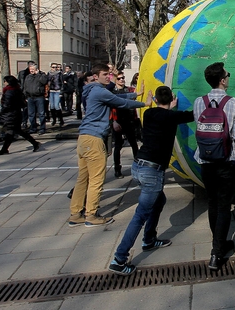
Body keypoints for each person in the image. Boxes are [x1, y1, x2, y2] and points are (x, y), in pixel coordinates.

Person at [109, 86, 192, 275]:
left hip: (138, 167)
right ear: (171, 99)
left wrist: (167, 106)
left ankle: (149, 239)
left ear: (154, 100)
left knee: (159, 200)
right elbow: (192, 115)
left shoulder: (149, 114)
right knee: (140, 215)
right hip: (152, 171)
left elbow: (161, 115)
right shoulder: (171, 117)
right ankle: (119, 259)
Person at [67, 63, 148, 227]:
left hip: (84, 139)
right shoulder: (99, 90)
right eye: (105, 74)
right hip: (94, 139)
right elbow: (120, 103)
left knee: (83, 179)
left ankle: (76, 213)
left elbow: (116, 98)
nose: (108, 77)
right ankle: (91, 215)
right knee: (96, 180)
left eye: (109, 74)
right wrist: (143, 103)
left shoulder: (93, 90)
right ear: (96, 76)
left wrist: (135, 94)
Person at [194, 62, 235, 271]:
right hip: (227, 160)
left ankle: (219, 242)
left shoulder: (199, 102)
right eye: (228, 74)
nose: (229, 77)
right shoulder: (233, 103)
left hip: (205, 159)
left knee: (212, 202)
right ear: (222, 80)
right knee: (224, 205)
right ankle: (217, 253)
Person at [0, 76, 40, 155]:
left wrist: (3, 110)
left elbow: (6, 104)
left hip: (10, 114)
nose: (4, 83)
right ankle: (5, 149)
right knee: (14, 131)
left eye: (5, 81)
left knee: (13, 131)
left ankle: (34, 143)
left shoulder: (9, 91)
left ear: (8, 82)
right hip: (16, 113)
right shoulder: (17, 89)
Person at [110, 71, 139, 179]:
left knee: (134, 145)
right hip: (118, 121)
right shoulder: (112, 92)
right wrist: (114, 121)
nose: (122, 80)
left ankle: (137, 167)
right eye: (119, 78)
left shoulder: (129, 90)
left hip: (129, 121)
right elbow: (110, 108)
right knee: (118, 147)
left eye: (123, 78)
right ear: (115, 80)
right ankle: (117, 169)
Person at [22, 63, 48, 134]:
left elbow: (44, 82)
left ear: (36, 69)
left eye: (33, 69)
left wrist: (38, 74)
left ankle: (42, 128)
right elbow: (25, 86)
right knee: (31, 114)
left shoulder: (42, 75)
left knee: (41, 113)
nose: (31, 71)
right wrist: (25, 96)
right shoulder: (28, 77)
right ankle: (33, 127)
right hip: (30, 97)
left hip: (39, 97)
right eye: (30, 69)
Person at [47, 62, 64, 127]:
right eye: (53, 67)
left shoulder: (59, 74)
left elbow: (62, 83)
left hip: (57, 90)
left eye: (56, 67)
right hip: (51, 90)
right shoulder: (49, 73)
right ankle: (54, 120)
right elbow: (46, 81)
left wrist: (61, 92)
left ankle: (60, 120)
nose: (55, 68)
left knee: (57, 105)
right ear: (51, 67)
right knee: (52, 106)